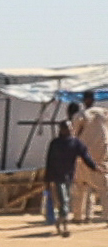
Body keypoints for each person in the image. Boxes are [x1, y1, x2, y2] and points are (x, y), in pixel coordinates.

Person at [43, 99, 85, 234]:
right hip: (58, 175)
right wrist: (47, 179)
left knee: (67, 198)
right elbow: (49, 161)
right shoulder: (55, 143)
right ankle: (64, 223)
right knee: (64, 199)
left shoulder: (74, 142)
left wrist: (95, 166)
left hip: (69, 174)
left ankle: (61, 221)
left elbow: (84, 154)